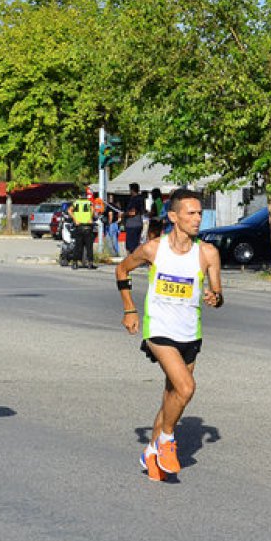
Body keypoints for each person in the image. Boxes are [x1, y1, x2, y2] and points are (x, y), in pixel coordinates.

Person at [115, 189, 224, 483]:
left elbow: (218, 293)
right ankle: (166, 440)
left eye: (200, 213)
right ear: (174, 216)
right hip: (159, 330)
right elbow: (122, 270)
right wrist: (129, 309)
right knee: (186, 388)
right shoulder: (154, 249)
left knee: (172, 397)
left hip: (190, 333)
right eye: (191, 213)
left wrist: (214, 297)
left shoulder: (208, 253)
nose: (198, 218)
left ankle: (152, 452)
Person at [69, 192, 96, 269]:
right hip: (88, 226)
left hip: (79, 226)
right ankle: (90, 263)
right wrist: (90, 218)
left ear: (79, 196)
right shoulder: (89, 202)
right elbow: (93, 210)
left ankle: (75, 263)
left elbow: (69, 211)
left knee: (78, 246)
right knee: (89, 246)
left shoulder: (76, 202)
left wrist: (75, 219)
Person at [124, 183, 147, 255]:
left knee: (131, 245)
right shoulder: (141, 199)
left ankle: (132, 258)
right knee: (136, 243)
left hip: (132, 224)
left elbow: (133, 212)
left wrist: (124, 214)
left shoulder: (135, 199)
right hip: (138, 223)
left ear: (132, 190)